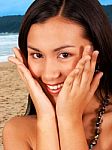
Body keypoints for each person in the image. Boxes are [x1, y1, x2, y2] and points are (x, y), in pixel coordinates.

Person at [2, 0, 112, 149]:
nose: (49, 75)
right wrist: (47, 119)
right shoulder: (19, 131)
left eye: (64, 54)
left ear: (96, 53)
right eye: (37, 55)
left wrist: (69, 119)